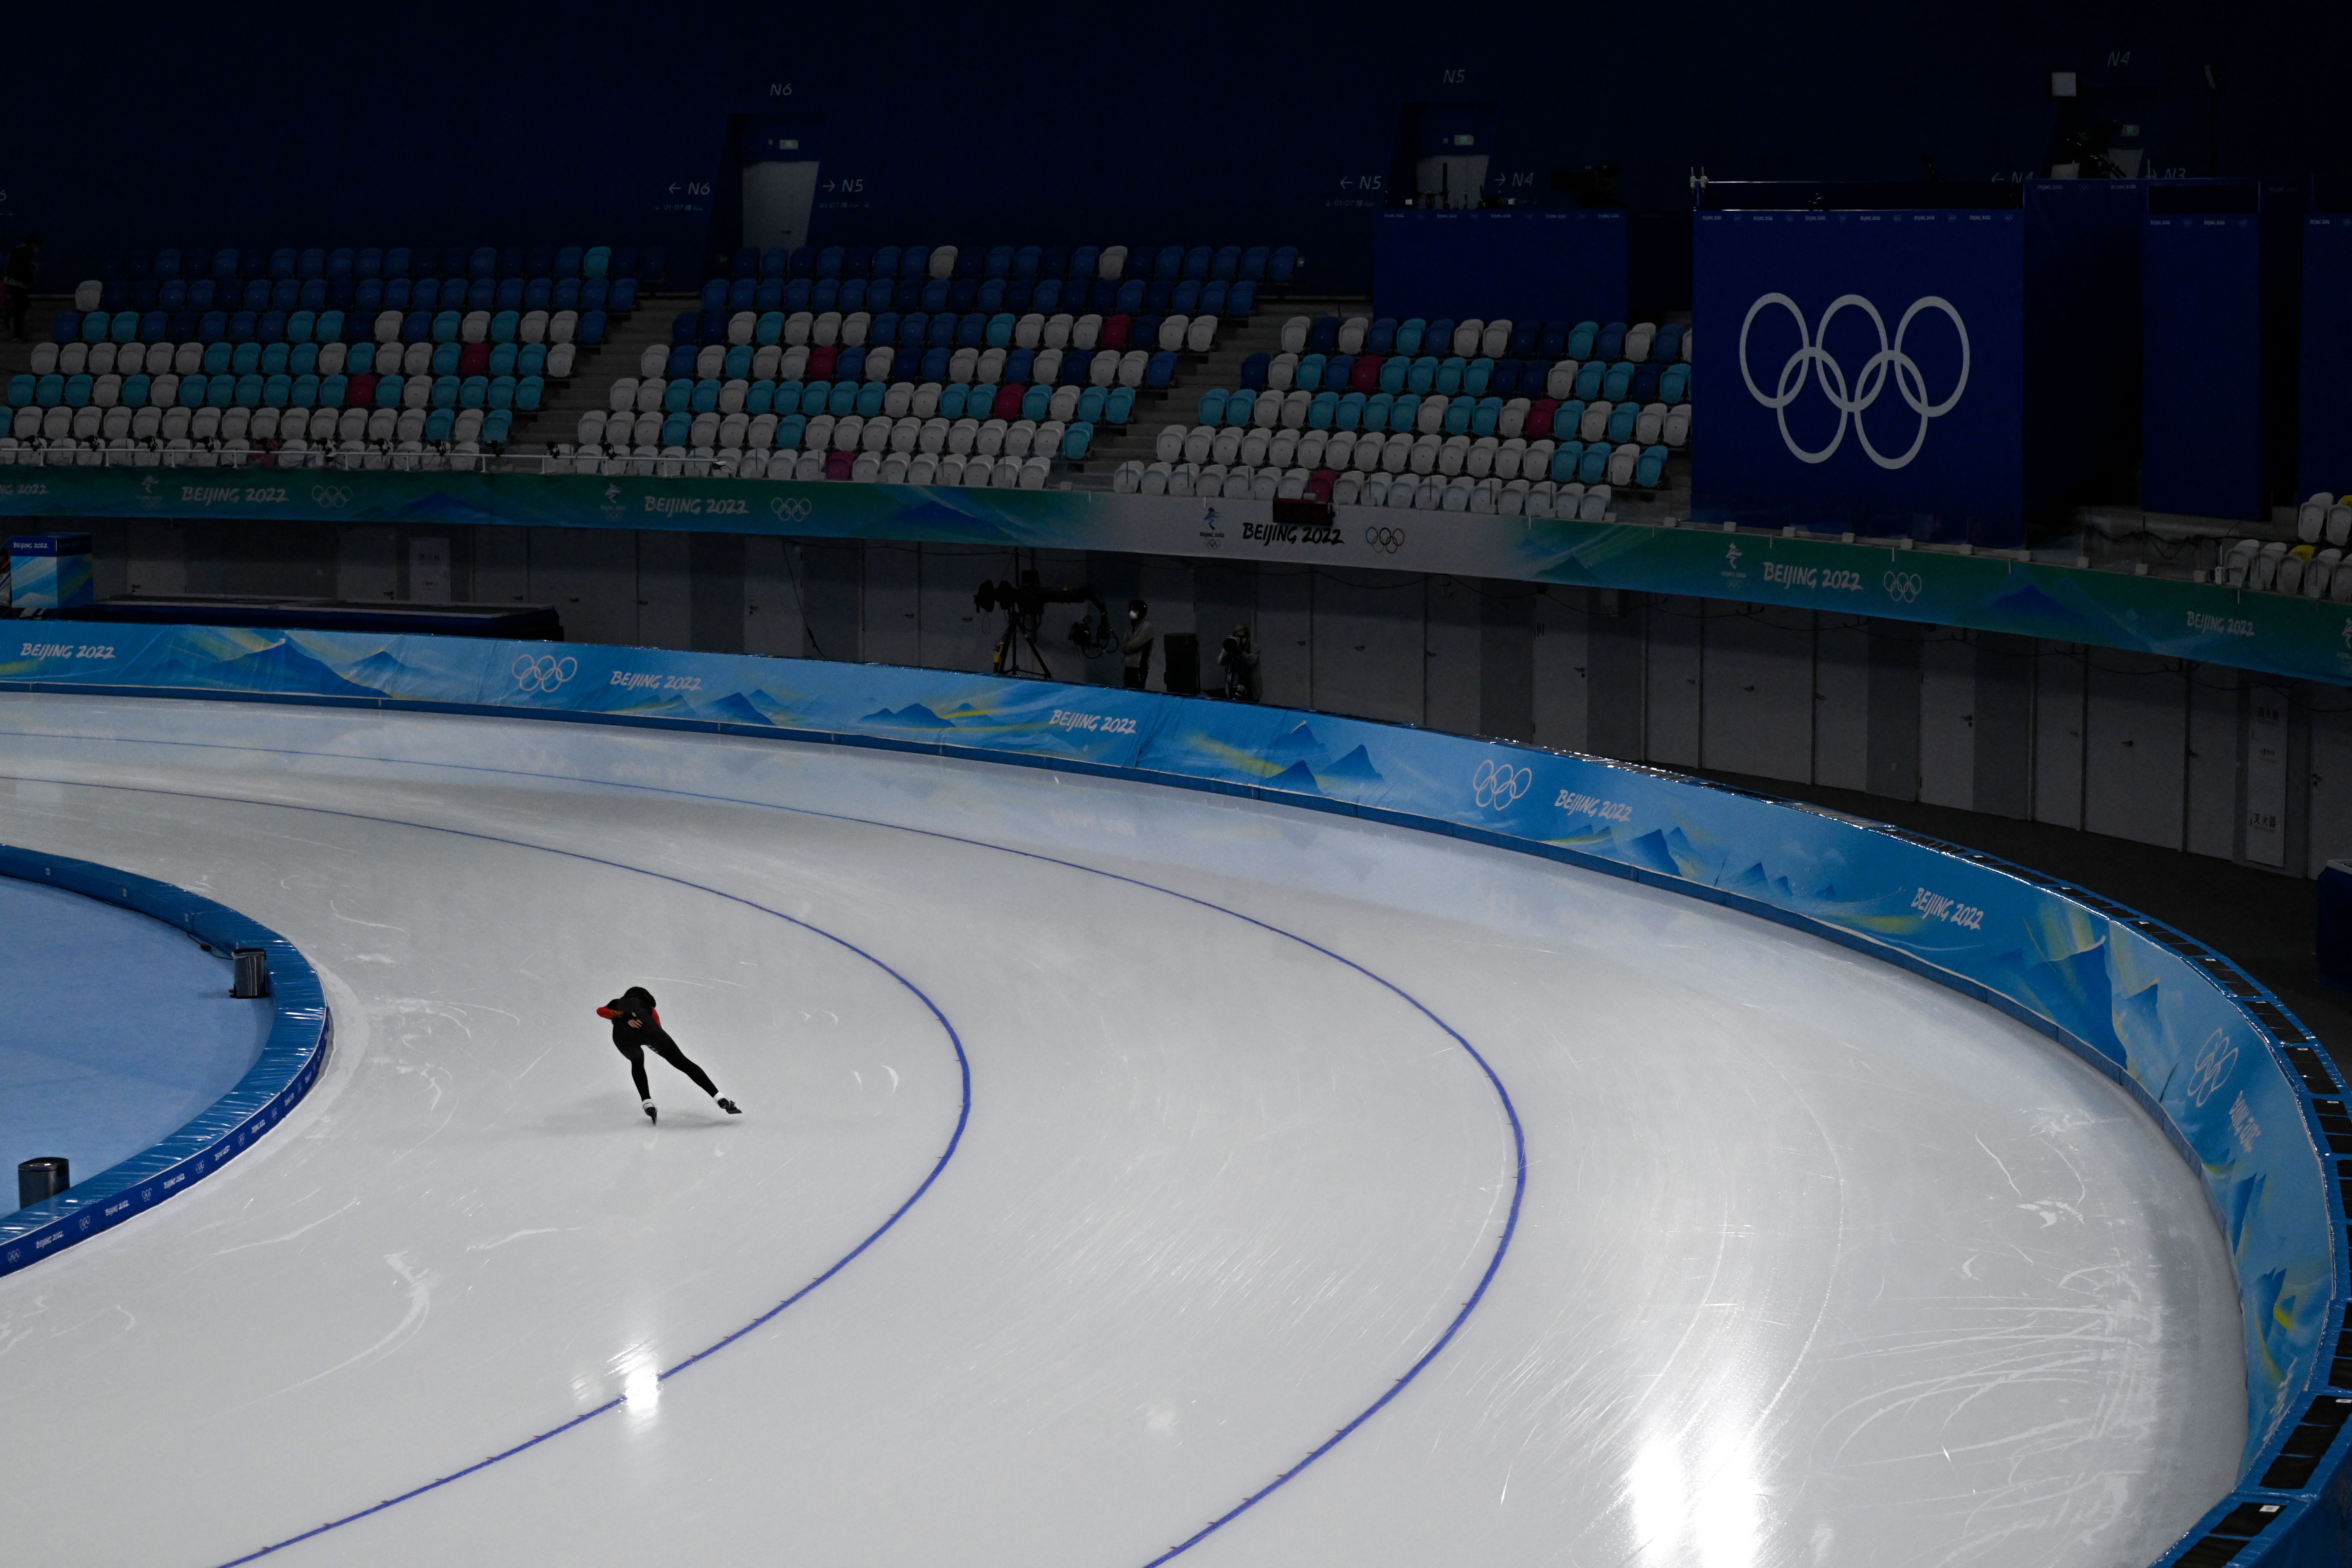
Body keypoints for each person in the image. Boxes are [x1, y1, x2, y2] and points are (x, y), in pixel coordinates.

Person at [596, 985, 741, 1124]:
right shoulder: (649, 1008)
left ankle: (648, 1103)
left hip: (623, 1039)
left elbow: (601, 1011)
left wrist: (623, 1016)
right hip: (651, 1032)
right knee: (683, 1062)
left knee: (637, 1062)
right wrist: (661, 1050)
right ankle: (719, 1097)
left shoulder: (615, 1003)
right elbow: (658, 1030)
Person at [3, 233, 38, 343]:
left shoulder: (19, 250)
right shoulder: (27, 252)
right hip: (16, 284)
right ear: (33, 244)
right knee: (21, 307)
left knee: (24, 304)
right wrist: (30, 279)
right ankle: (16, 335)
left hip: (11, 282)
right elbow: (23, 269)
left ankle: (8, 317)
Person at [1216, 622, 1260, 702]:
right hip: (1234, 685)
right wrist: (1227, 648)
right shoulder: (1232, 647)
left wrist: (1241, 651)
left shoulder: (1255, 648)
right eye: (1237, 637)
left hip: (1250, 688)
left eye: (1242, 637)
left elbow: (1252, 661)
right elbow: (1220, 662)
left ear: (1248, 638)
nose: (1240, 639)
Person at [1120, 598, 1155, 690]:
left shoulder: (1147, 628)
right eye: (1131, 610)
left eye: (1135, 610)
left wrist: (1129, 645)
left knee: (1137, 694)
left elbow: (1134, 645)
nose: (1132, 612)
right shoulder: (1131, 628)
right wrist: (1129, 646)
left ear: (1142, 611)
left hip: (1139, 669)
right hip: (1128, 668)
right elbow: (1123, 647)